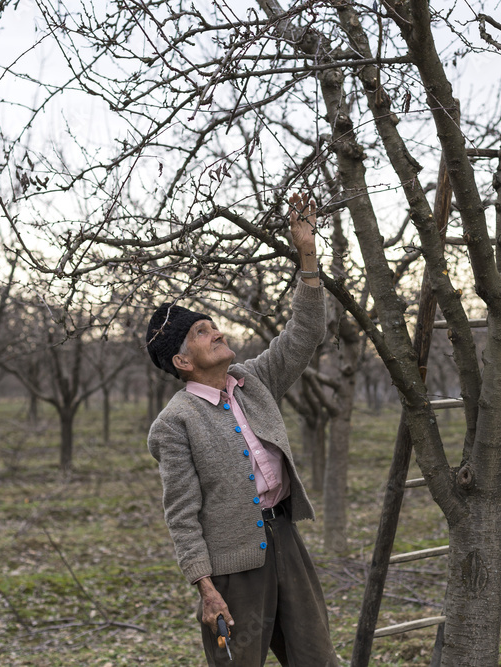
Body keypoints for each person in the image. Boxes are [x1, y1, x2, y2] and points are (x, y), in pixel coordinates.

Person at [145, 193, 340, 667]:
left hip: (286, 541)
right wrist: (205, 589)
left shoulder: (254, 381)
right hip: (232, 568)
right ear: (182, 360)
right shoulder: (175, 423)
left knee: (318, 659)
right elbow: (182, 514)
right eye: (201, 332)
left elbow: (304, 333)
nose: (217, 333)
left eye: (214, 325)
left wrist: (307, 254)